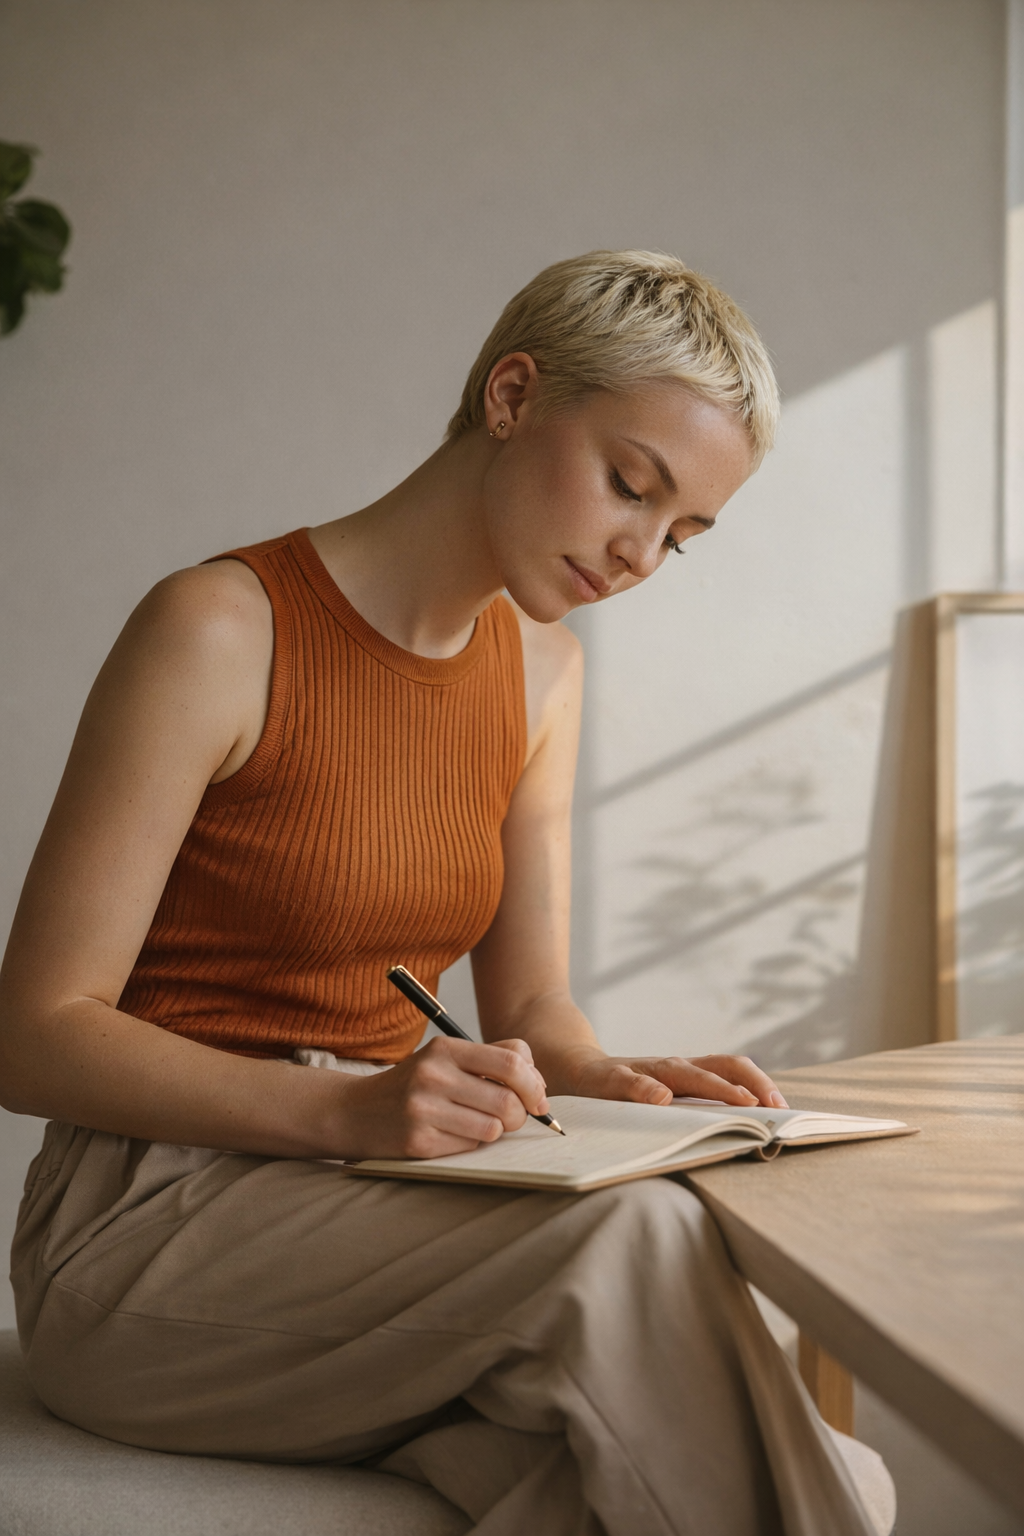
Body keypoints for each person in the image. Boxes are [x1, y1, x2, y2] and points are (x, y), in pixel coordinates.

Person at [0, 251, 894, 1535]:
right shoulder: (217, 629)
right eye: (630, 487)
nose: (640, 551)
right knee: (635, 1256)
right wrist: (344, 1111)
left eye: (682, 535)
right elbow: (33, 1033)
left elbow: (529, 1000)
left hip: (376, 1202)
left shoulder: (544, 674)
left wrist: (624, 1083)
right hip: (144, 1230)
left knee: (605, 1458)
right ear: (513, 395)